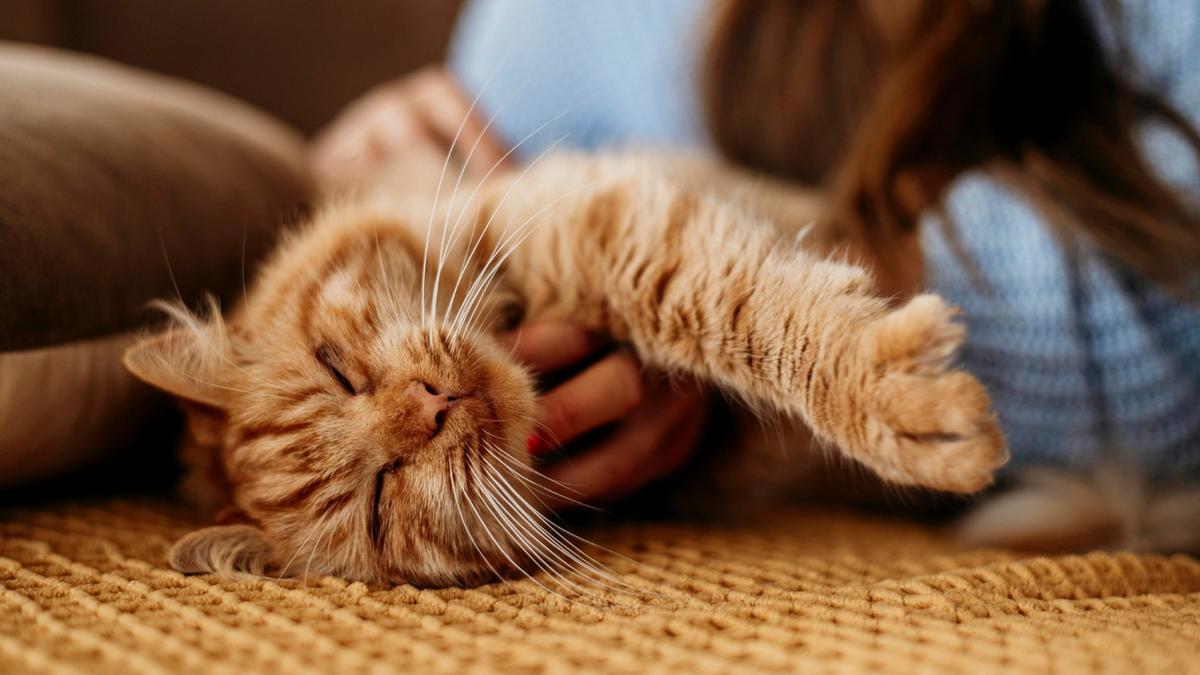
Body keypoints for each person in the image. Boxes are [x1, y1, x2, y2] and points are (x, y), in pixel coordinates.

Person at [312, 0, 1200, 509]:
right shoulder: (550, 27)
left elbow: (1173, 309)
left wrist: (718, 328)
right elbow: (443, 183)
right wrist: (369, 172)